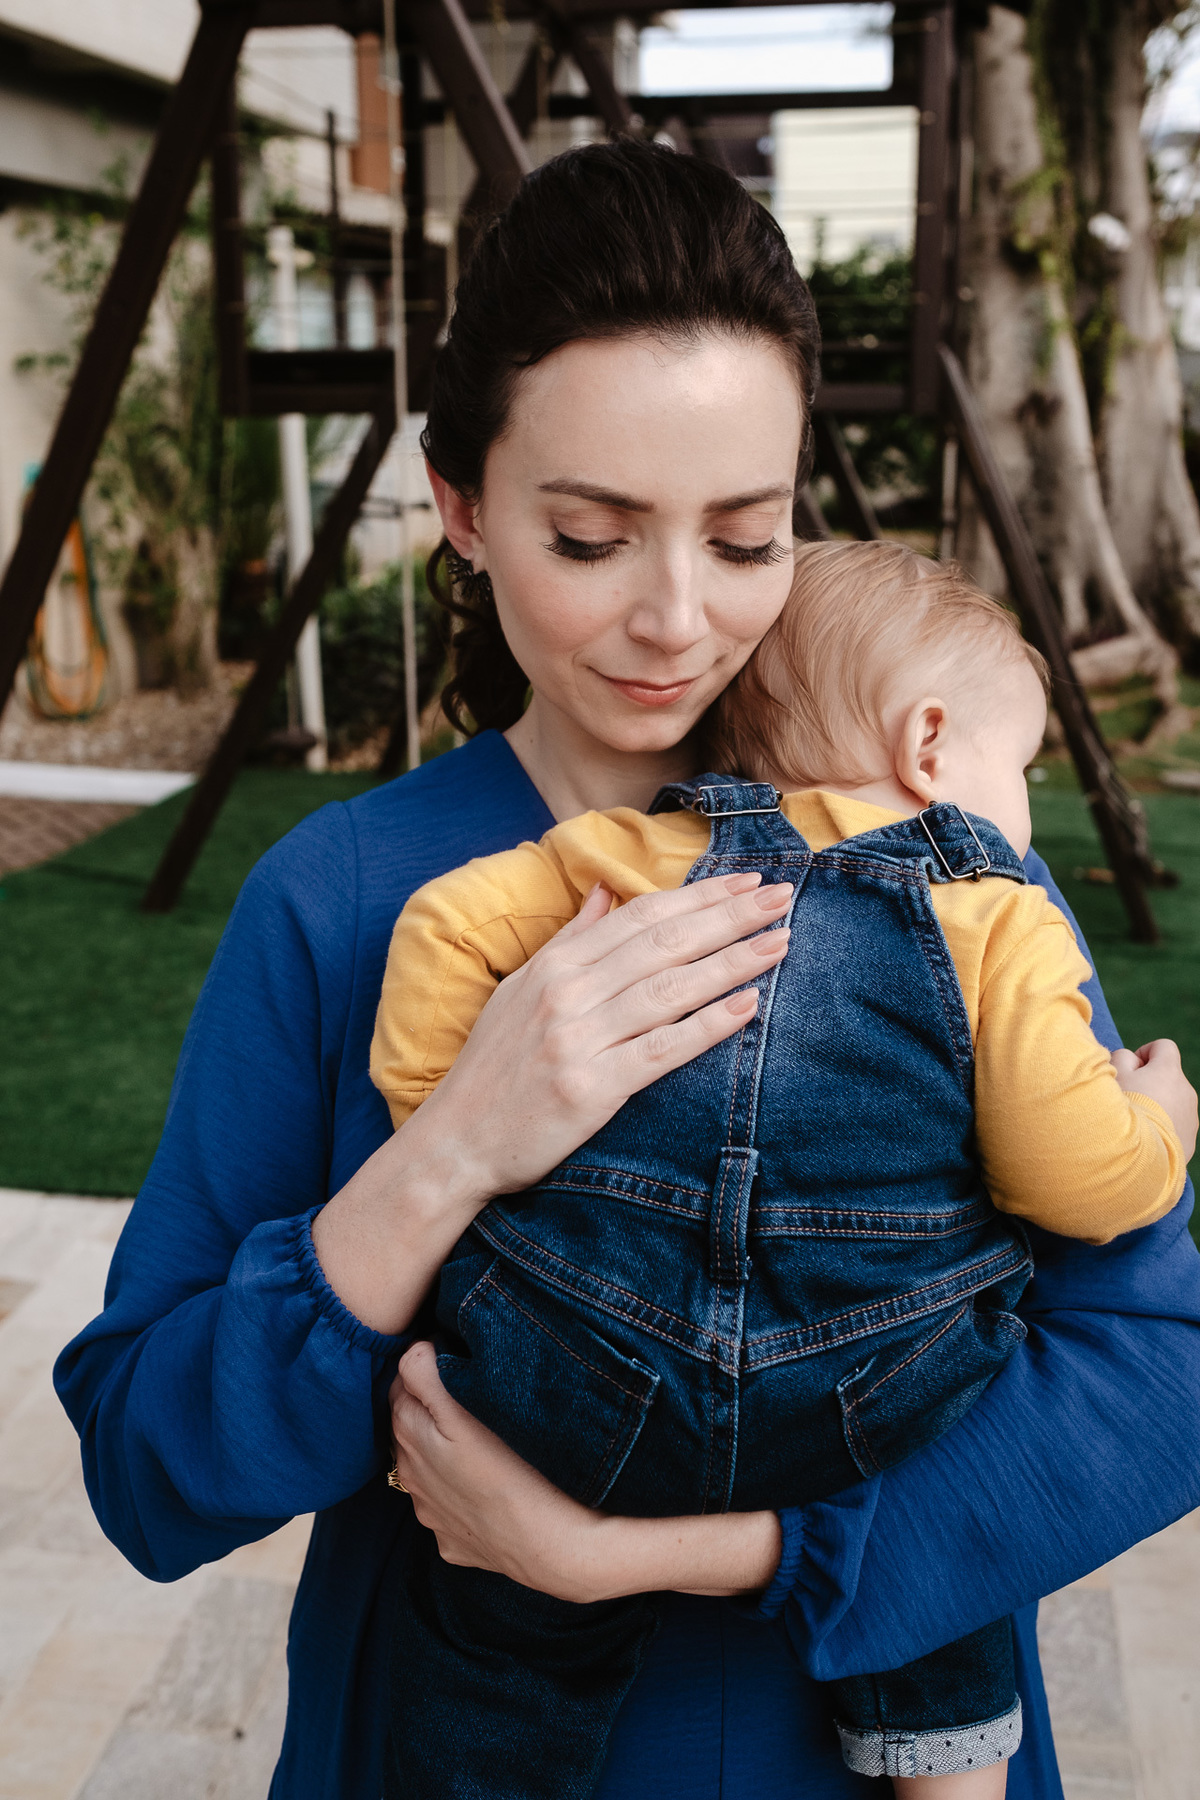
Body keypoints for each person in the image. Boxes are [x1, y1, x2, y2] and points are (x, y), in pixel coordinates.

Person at [54, 139, 1200, 1800]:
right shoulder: (349, 894)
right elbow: (150, 1466)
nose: (678, 618)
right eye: (591, 537)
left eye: (745, 539)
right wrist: (451, 1149)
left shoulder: (946, 859)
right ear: (459, 507)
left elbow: (1159, 1372)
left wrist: (690, 1553)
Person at [371, 540, 1194, 1800]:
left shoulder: (632, 852)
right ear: (930, 747)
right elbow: (1068, 1176)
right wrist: (1157, 1129)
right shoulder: (995, 910)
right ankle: (942, 1772)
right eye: (1014, 766)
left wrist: (449, 1126)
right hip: (867, 1392)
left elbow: (441, 927)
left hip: (598, 1372)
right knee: (944, 1560)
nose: (1021, 809)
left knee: (496, 1649)